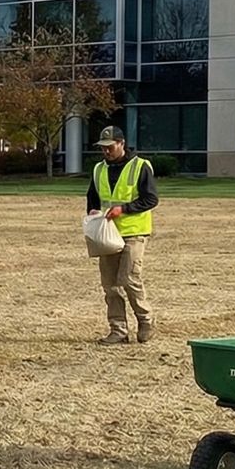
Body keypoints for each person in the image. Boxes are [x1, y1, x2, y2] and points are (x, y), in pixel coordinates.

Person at [84, 125, 158, 345]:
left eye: (110, 147)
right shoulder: (99, 169)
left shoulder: (140, 166)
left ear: (121, 144)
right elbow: (93, 197)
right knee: (110, 285)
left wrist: (123, 209)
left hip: (134, 232)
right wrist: (93, 211)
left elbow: (151, 199)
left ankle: (146, 320)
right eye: (103, 148)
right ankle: (118, 330)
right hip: (108, 234)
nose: (106, 151)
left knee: (129, 279)